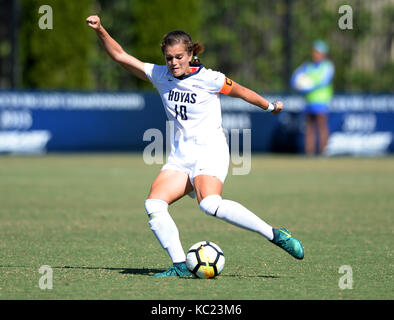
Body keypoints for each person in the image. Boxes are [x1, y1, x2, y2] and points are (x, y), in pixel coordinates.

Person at [86, 15, 304, 278]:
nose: (174, 62)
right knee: (154, 205)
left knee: (209, 204)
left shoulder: (210, 79)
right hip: (181, 157)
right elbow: (120, 56)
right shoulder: (160, 75)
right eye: (169, 57)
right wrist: (100, 30)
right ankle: (179, 265)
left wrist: (269, 106)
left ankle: (275, 234)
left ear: (190, 54)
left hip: (210, 152)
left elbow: (243, 91)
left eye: (179, 56)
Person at [290, 40, 335, 155]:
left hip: (321, 101)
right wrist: (298, 85)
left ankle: (323, 153)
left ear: (323, 54)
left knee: (321, 126)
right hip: (309, 101)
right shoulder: (307, 66)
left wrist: (309, 86)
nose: (315, 54)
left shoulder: (327, 66)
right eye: (314, 52)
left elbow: (324, 80)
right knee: (309, 128)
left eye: (318, 52)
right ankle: (309, 153)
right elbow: (294, 78)